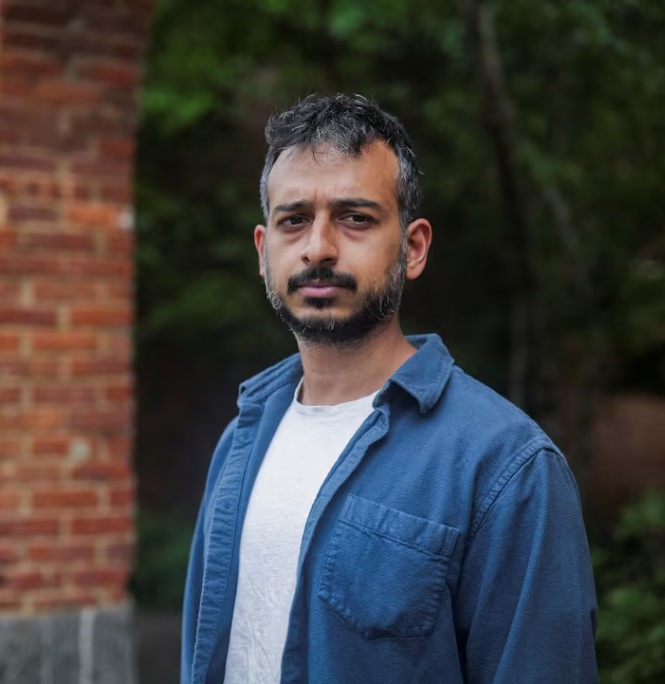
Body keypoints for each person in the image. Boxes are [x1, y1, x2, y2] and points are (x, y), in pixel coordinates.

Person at [181, 94, 598, 684]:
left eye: (356, 217)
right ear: (263, 249)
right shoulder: (241, 441)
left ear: (414, 247)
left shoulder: (506, 466)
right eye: (293, 219)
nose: (319, 247)